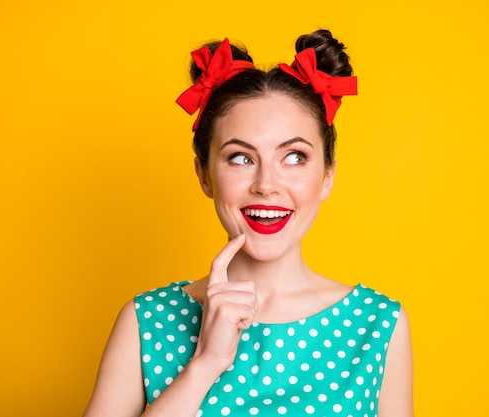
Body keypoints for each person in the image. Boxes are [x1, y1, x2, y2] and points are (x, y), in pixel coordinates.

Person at [83, 29, 413, 417]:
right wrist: (204, 365)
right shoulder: (145, 322)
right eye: (241, 158)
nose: (267, 186)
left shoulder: (377, 325)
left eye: (294, 157)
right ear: (204, 175)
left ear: (327, 176)